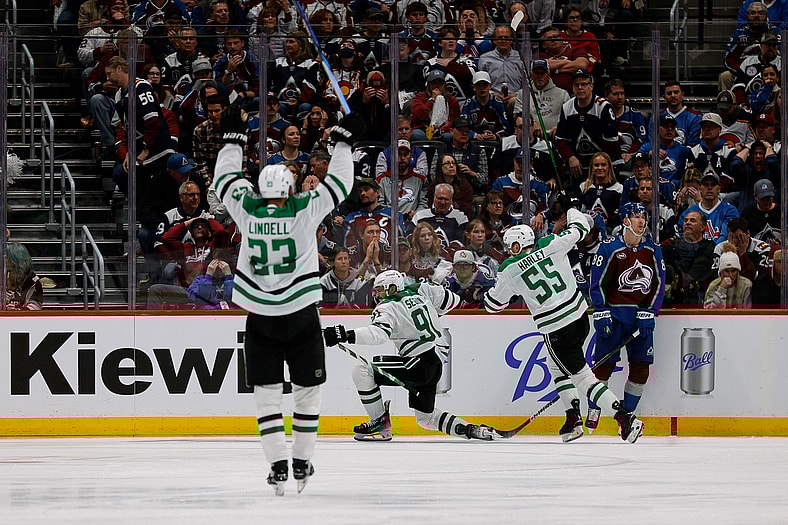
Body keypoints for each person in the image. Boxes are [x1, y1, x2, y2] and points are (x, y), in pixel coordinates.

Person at [210, 104, 360, 495]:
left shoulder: (247, 208)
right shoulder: (305, 209)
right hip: (301, 314)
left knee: (266, 394)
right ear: (291, 188)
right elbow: (341, 185)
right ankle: (302, 459)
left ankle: (277, 463)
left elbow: (225, 178)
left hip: (260, 316)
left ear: (261, 188)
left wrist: (233, 140)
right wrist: (342, 143)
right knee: (308, 393)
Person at [483, 213, 645, 443]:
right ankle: (573, 418)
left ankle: (625, 418)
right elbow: (580, 226)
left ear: (518, 245)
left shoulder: (510, 269)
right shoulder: (553, 243)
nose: (509, 251)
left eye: (511, 247)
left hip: (557, 329)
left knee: (583, 379)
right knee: (555, 363)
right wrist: (570, 211)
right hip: (580, 318)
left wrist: (494, 286)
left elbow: (493, 305)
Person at [322, 270, 501, 441]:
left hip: (418, 363)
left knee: (362, 370)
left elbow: (378, 334)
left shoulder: (387, 307)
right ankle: (471, 430)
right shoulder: (420, 290)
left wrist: (343, 334)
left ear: (392, 288)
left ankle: (379, 422)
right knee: (426, 418)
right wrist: (430, 314)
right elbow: (452, 300)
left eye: (380, 290)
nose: (377, 295)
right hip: (435, 362)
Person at [587, 202, 665, 432]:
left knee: (641, 367)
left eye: (643, 216)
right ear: (625, 221)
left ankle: (627, 418)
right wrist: (600, 311)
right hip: (613, 315)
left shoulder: (653, 249)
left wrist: (650, 311)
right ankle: (593, 409)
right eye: (636, 216)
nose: (641, 220)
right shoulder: (609, 248)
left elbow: (659, 283)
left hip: (640, 316)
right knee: (603, 367)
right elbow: (598, 281)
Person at [555, 69, 621, 184]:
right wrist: (570, 157)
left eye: (584, 84)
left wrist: (598, 164)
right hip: (577, 164)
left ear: (591, 86)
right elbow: (561, 140)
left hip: (604, 163)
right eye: (577, 85)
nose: (580, 88)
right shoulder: (567, 107)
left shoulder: (604, 107)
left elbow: (612, 143)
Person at [661, 210, 718, 307]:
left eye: (692, 221)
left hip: (701, 299)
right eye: (686, 220)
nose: (688, 223)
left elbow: (712, 278)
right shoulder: (672, 246)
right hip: (673, 300)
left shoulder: (711, 248)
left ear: (703, 227)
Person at [512, 59, 569, 138]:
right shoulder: (523, 93)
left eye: (543, 73)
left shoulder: (563, 94)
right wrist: (532, 123)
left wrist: (559, 127)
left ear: (548, 74)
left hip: (555, 136)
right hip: (531, 137)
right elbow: (517, 115)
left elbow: (568, 118)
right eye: (536, 73)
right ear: (531, 75)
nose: (539, 76)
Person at [678, 173, 740, 245]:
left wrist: (710, 250)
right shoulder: (688, 213)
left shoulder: (729, 210)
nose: (709, 187)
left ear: (719, 188)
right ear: (700, 188)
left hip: (721, 252)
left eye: (713, 184)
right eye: (706, 184)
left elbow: (725, 236)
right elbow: (683, 237)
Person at [411, 182, 469, 249]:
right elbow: (410, 236)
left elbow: (462, 240)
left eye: (446, 199)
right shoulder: (419, 216)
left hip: (451, 256)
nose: (442, 202)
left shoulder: (461, 217)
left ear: (451, 200)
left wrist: (448, 253)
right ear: (434, 198)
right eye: (440, 198)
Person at [712, 217, 771, 282]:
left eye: (739, 237)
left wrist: (743, 253)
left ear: (748, 233)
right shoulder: (720, 248)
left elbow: (757, 277)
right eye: (732, 237)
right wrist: (730, 253)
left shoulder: (763, 249)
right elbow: (716, 276)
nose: (735, 241)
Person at [703, 244, 754, 309]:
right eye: (726, 271)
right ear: (721, 272)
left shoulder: (746, 285)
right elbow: (708, 312)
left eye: (733, 271)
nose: (730, 275)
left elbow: (748, 312)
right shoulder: (713, 286)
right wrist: (721, 289)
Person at [659, 80, 702, 146]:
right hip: (662, 155)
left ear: (682, 95)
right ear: (664, 98)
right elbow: (652, 143)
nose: (673, 95)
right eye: (669, 93)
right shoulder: (656, 117)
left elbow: (693, 144)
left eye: (676, 92)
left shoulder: (695, 117)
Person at [741, 178, 782, 244]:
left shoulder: (782, 211)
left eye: (769, 198)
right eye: (762, 199)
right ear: (755, 197)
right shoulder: (748, 213)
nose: (766, 202)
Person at [5, 243, 44, 310]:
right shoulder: (3, 275)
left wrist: (18, 310)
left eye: (7, 257)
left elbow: (36, 306)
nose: (4, 260)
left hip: (24, 319)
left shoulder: (33, 281)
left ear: (16, 260)